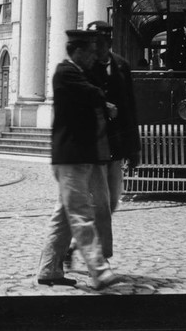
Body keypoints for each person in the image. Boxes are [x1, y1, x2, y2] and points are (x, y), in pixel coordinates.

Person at [36, 30, 122, 290]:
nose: (93, 57)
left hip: (79, 156)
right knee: (81, 215)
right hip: (71, 158)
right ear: (77, 51)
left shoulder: (79, 72)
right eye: (89, 52)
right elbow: (91, 93)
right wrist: (105, 103)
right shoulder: (66, 72)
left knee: (64, 216)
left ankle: (49, 269)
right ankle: (100, 271)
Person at [86, 21, 139, 262]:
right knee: (101, 203)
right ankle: (100, 257)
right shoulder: (85, 66)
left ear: (109, 43)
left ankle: (78, 240)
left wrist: (134, 149)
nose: (97, 47)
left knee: (113, 200)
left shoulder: (122, 66)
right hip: (94, 144)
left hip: (116, 146)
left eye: (101, 42)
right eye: (94, 43)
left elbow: (130, 107)